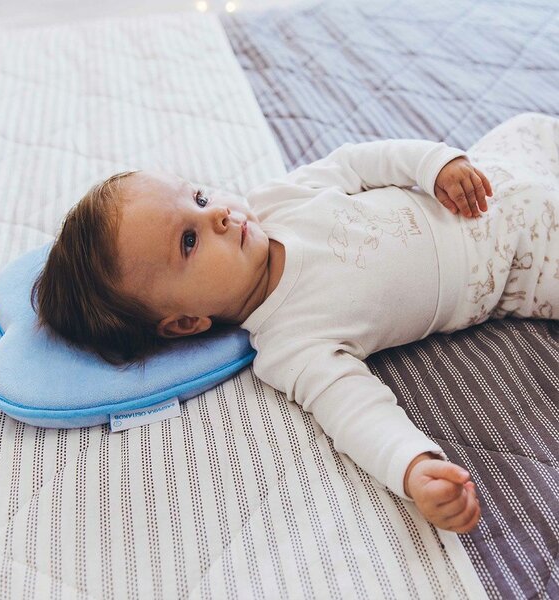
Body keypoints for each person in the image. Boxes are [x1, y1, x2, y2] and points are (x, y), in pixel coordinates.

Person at [32, 112, 559, 533]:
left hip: (488, 175)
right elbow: (355, 412)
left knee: (530, 124)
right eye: (189, 241)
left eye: (199, 196)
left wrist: (436, 164)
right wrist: (412, 467)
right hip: (523, 262)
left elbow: (359, 163)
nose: (217, 214)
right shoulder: (290, 344)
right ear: (186, 322)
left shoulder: (276, 198)